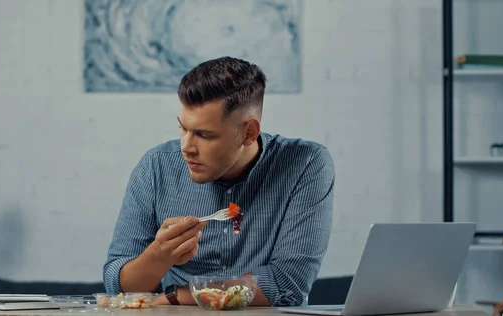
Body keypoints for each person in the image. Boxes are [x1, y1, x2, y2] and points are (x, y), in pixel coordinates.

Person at [103, 56, 335, 307]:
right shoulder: (157, 166)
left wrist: (175, 296)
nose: (186, 147)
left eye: (203, 135)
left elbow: (288, 283)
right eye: (183, 129)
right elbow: (120, 287)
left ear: (248, 133)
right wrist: (159, 256)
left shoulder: (306, 163)